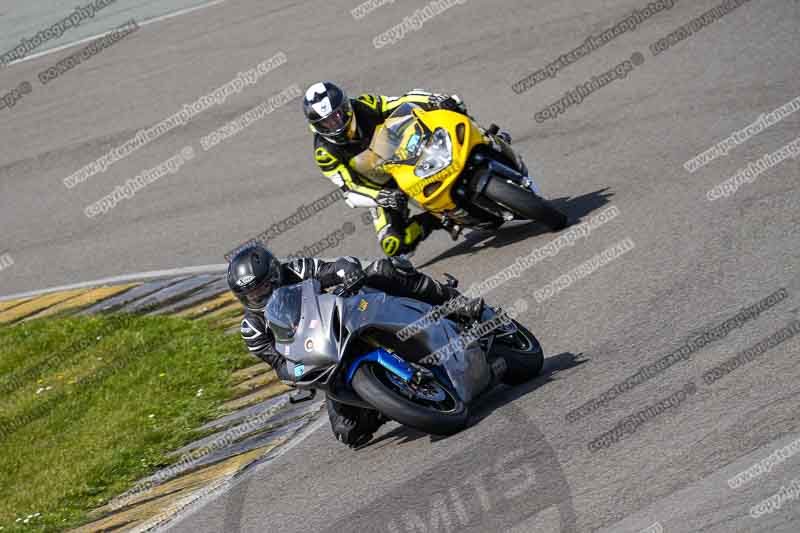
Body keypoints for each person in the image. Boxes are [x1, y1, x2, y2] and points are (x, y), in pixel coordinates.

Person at [226, 243, 483, 448]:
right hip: (323, 356)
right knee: (349, 433)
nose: (259, 296)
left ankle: (454, 304)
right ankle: (389, 397)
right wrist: (294, 374)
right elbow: (278, 364)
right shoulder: (252, 328)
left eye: (263, 288)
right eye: (252, 295)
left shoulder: (298, 270)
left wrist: (346, 271)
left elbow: (334, 268)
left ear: (274, 274)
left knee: (383, 270)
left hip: (346, 315)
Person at [302, 81, 513, 257]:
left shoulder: (364, 105)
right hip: (383, 186)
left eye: (338, 115)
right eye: (327, 122)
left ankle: (486, 137)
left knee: (452, 105)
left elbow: (402, 100)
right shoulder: (324, 153)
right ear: (316, 126)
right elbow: (349, 189)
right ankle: (436, 219)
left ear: (346, 107)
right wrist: (382, 197)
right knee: (393, 245)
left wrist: (434, 99)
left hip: (402, 151)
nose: (335, 124)